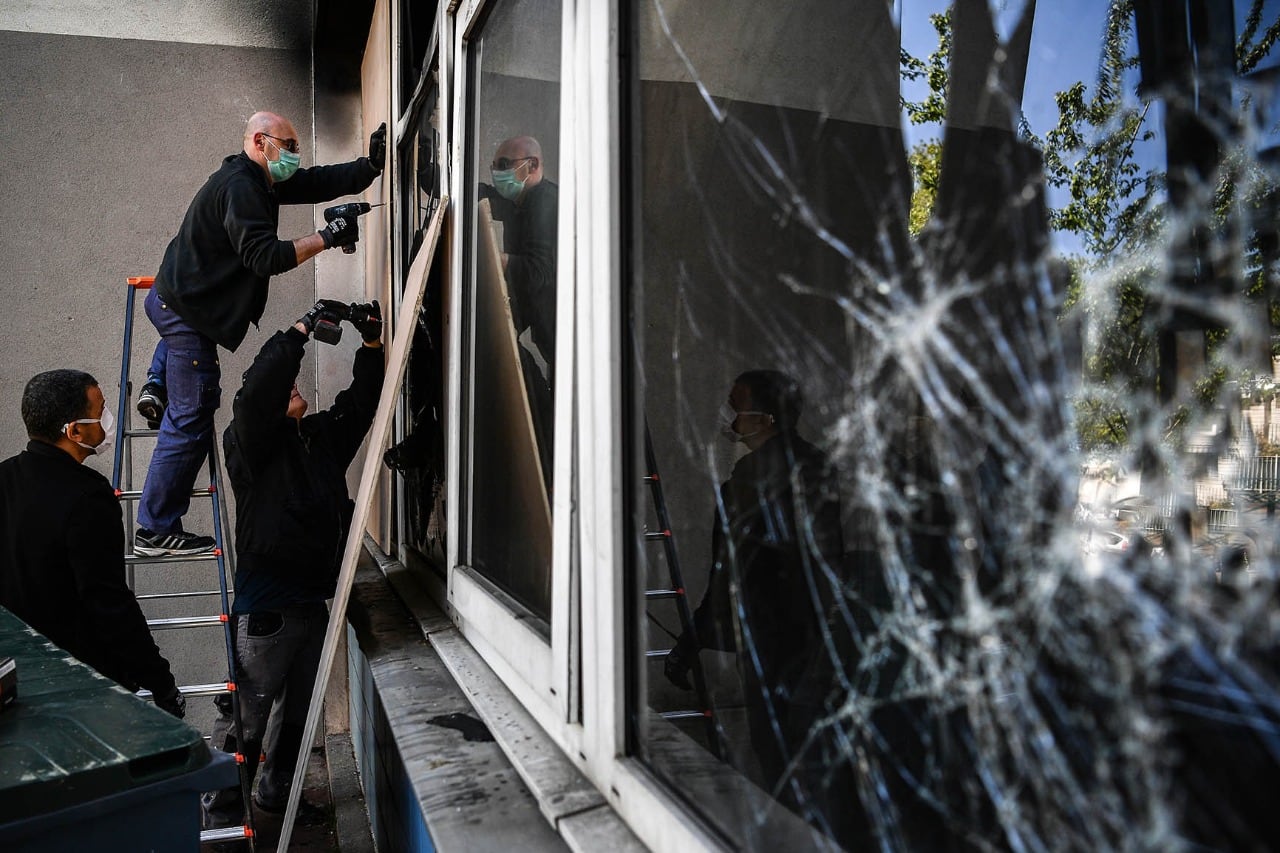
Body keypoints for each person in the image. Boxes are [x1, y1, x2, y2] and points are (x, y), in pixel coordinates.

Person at [133, 111, 387, 557]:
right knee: (192, 414)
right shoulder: (242, 188)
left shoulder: (256, 177)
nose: (293, 155)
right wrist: (327, 236)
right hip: (188, 315)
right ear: (259, 141)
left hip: (177, 302)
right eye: (287, 146)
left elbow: (311, 182)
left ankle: (158, 382)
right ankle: (154, 528)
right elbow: (264, 257)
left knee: (181, 378)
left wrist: (369, 167)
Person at [202, 300, 384, 831]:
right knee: (246, 717)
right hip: (268, 611)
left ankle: (276, 793)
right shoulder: (251, 449)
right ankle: (220, 815)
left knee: (297, 717)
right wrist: (301, 329)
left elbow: (362, 404)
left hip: (311, 603)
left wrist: (370, 344)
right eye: (286, 388)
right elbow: (256, 391)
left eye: (296, 383)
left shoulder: (317, 441)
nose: (295, 387)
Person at [665, 370, 844, 805]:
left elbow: (731, 570)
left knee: (782, 755)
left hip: (778, 641)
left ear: (764, 418)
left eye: (736, 404)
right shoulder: (814, 463)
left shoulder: (752, 480)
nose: (728, 413)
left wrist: (692, 640)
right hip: (810, 640)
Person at [0, 369, 185, 717]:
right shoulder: (87, 497)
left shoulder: (4, 479)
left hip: (14, 679)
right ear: (74, 431)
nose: (108, 418)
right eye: (100, 410)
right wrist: (161, 683)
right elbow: (109, 602)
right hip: (80, 688)